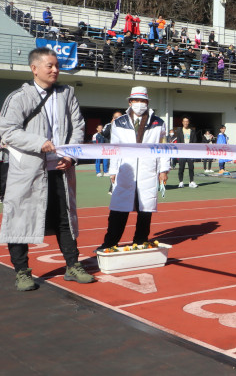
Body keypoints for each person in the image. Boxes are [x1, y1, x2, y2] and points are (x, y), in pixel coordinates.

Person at [0, 47, 95, 290]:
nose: (55, 70)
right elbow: (8, 131)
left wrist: (72, 156)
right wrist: (38, 143)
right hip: (27, 170)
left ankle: (72, 266)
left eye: (57, 65)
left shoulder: (67, 94)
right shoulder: (19, 97)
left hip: (60, 169)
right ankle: (22, 272)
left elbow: (78, 127)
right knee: (19, 219)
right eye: (49, 66)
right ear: (34, 68)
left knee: (65, 219)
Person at [99, 86, 169, 250]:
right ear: (130, 102)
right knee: (118, 209)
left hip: (148, 170)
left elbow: (164, 147)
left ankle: (140, 240)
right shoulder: (119, 122)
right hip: (126, 170)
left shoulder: (158, 122)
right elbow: (114, 148)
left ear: (147, 102)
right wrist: (113, 170)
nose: (139, 104)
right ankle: (110, 242)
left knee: (145, 210)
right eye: (136, 100)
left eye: (143, 101)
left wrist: (164, 169)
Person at [174, 116, 198, 188]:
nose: (186, 123)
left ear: (188, 122)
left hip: (190, 152)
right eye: (184, 121)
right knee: (181, 168)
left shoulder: (192, 131)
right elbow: (178, 141)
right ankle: (181, 182)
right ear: (182, 122)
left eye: (187, 121)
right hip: (182, 152)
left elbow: (195, 141)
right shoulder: (179, 131)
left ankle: (191, 181)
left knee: (191, 167)